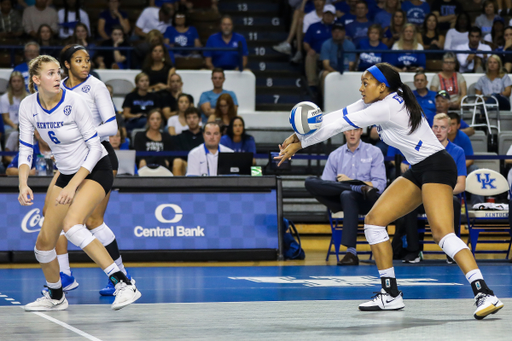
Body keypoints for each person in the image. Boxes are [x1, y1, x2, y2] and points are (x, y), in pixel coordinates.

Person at [276, 62, 503, 319]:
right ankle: (390, 293)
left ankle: (484, 292)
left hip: (438, 167)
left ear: (382, 87)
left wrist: (301, 142)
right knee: (374, 221)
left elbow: (341, 125)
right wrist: (297, 136)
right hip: (418, 169)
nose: (360, 87)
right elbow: (337, 115)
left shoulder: (388, 106)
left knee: (442, 233)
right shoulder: (376, 101)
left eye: (365, 83)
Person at [18, 54, 140, 311]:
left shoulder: (75, 101)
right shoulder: (28, 105)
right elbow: (26, 148)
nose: (57, 77)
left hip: (96, 167)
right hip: (66, 172)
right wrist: (23, 183)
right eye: (50, 73)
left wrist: (73, 187)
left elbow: (96, 147)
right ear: (36, 79)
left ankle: (123, 283)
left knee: (73, 225)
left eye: (57, 72)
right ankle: (55, 296)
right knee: (43, 244)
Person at [56, 44, 133, 296]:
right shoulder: (58, 89)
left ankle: (122, 277)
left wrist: (77, 134)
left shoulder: (96, 86)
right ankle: (65, 275)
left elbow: (111, 128)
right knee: (55, 217)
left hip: (99, 156)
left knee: (93, 220)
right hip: (72, 159)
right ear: (66, 64)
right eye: (78, 60)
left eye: (87, 60)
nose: (85, 64)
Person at [306, 127, 386, 266]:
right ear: (344, 132)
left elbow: (380, 184)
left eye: (356, 130)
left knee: (348, 194)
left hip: (368, 201)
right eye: (349, 130)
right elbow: (326, 186)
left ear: (361, 131)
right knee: (310, 182)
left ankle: (351, 253)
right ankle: (357, 187)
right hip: (341, 200)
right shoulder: (335, 155)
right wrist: (353, 185)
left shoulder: (374, 152)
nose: (352, 133)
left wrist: (349, 181)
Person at [400, 113, 466, 264]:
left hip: (445, 197)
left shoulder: (457, 151)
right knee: (409, 204)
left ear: (449, 129)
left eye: (442, 127)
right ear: (430, 128)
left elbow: (461, 185)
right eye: (435, 127)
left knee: (455, 202)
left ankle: (451, 251)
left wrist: (438, 193)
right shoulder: (420, 149)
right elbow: (413, 181)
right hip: (423, 196)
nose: (438, 130)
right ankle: (413, 251)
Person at [304, 4, 336, 89]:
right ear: (322, 15)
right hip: (317, 53)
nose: (328, 17)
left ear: (334, 16)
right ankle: (312, 84)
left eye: (330, 15)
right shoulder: (313, 26)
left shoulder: (337, 28)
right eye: (326, 14)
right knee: (310, 56)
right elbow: (305, 42)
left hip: (333, 54)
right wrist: (309, 49)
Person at [319, 23, 356, 95]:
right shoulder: (326, 44)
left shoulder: (350, 45)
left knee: (354, 75)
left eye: (339, 31)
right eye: (335, 32)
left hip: (346, 70)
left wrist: (343, 73)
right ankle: (325, 101)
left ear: (344, 33)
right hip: (331, 70)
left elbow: (351, 65)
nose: (337, 34)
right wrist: (336, 74)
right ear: (332, 33)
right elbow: (326, 65)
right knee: (325, 74)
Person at [173, 107, 204, 176]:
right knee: (177, 161)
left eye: (194, 117)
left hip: (204, 164)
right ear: (185, 120)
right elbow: (178, 155)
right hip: (186, 164)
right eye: (189, 118)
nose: (192, 120)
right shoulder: (180, 137)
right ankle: (177, 186)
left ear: (200, 119)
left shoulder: (206, 136)